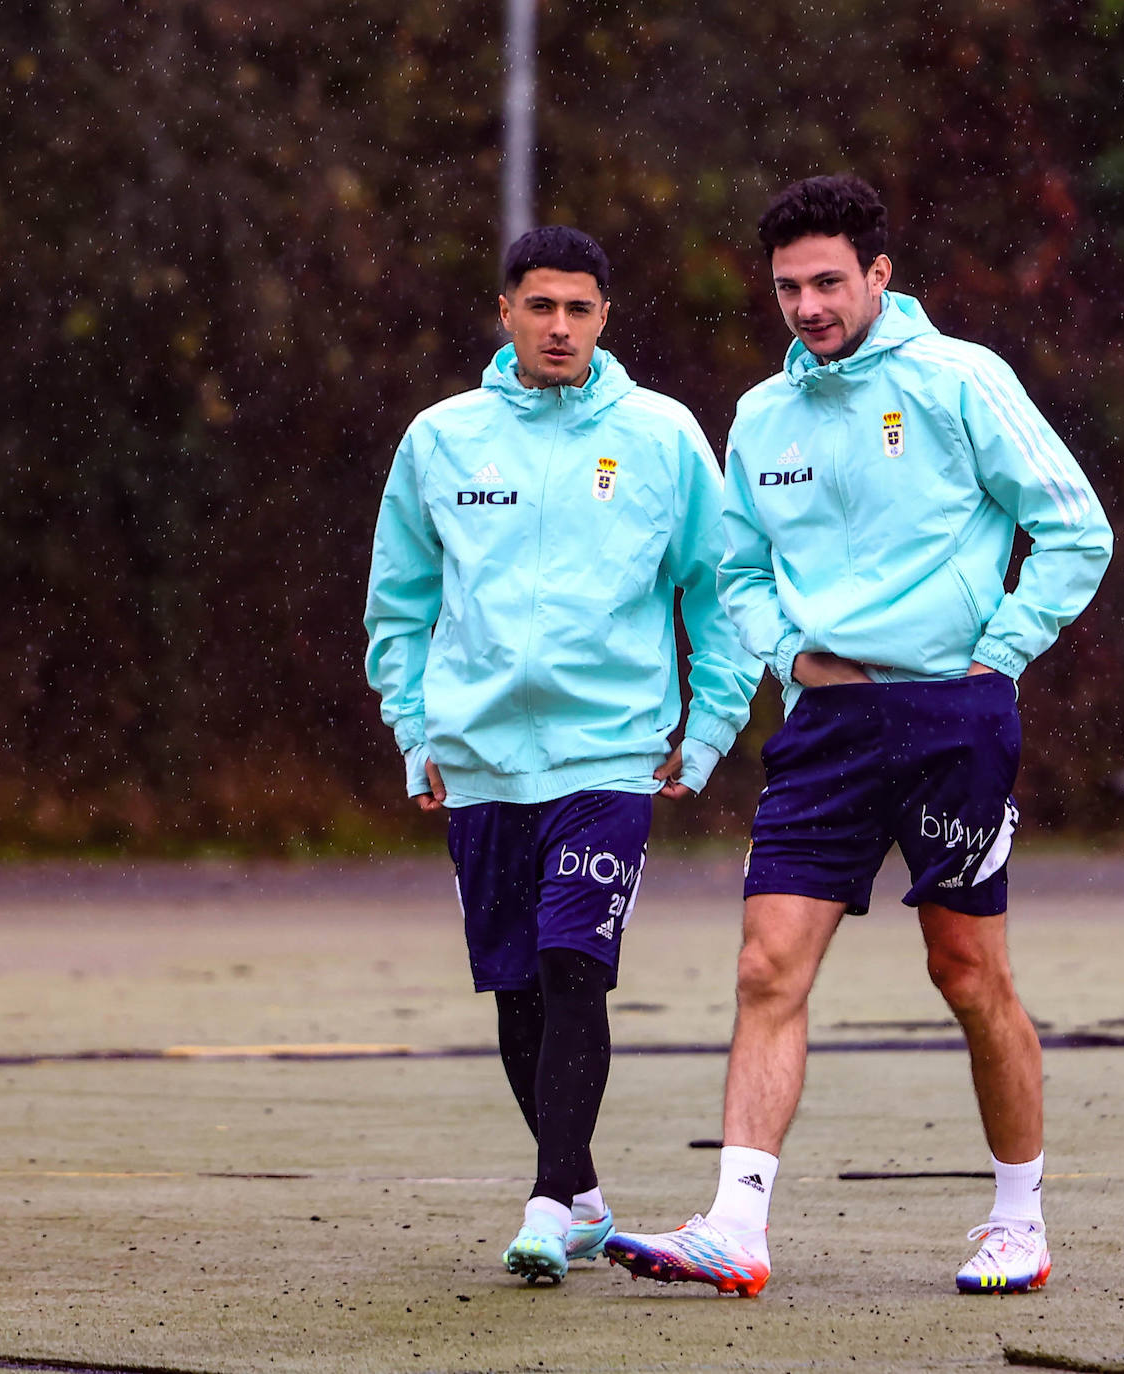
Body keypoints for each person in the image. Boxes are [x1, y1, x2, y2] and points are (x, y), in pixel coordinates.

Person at [605, 175, 1113, 1297]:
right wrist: (788, 655)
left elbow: (1075, 530)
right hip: (825, 727)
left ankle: (1017, 1220)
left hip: (951, 720)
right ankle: (735, 1226)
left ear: (879, 276)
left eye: (829, 281)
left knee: (966, 971)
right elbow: (737, 571)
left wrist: (1003, 649)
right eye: (788, 286)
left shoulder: (960, 380)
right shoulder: (760, 416)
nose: (808, 305)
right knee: (763, 967)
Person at [364, 226, 761, 1286]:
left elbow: (720, 594)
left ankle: (544, 1201)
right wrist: (417, 734)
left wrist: (709, 727)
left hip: (609, 754)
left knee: (574, 967)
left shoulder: (662, 437)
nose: (559, 327)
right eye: (540, 307)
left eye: (579, 309)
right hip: (480, 760)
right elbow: (398, 607)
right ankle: (580, 1193)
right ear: (504, 312)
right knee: (516, 991)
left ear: (605, 317)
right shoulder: (441, 440)